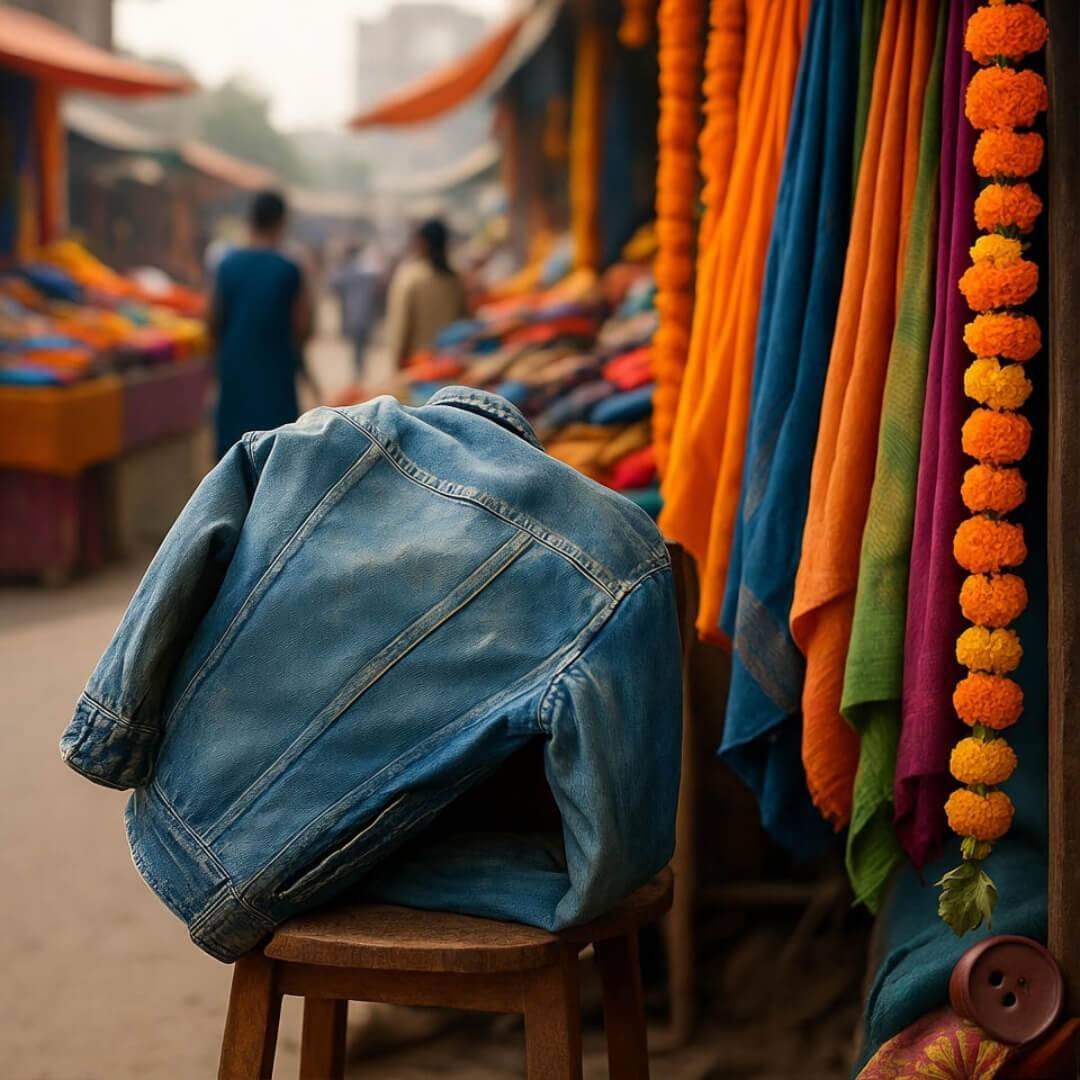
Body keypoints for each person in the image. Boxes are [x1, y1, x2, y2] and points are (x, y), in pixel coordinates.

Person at [210, 190, 316, 460]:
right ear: (281, 222)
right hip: (275, 376)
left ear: (251, 219)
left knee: (232, 459)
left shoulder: (226, 265)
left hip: (235, 375)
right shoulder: (289, 269)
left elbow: (212, 319)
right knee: (274, 459)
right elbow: (303, 326)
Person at [383, 218, 468, 368]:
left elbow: (401, 328)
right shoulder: (455, 279)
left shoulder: (410, 277)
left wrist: (396, 364)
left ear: (421, 242)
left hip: (418, 364)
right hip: (450, 363)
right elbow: (465, 323)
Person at [330, 241, 386, 379]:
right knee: (361, 345)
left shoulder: (346, 271)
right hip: (366, 313)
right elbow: (379, 288)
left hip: (352, 313)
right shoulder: (367, 270)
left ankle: (358, 371)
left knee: (357, 346)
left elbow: (335, 286)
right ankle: (360, 370)